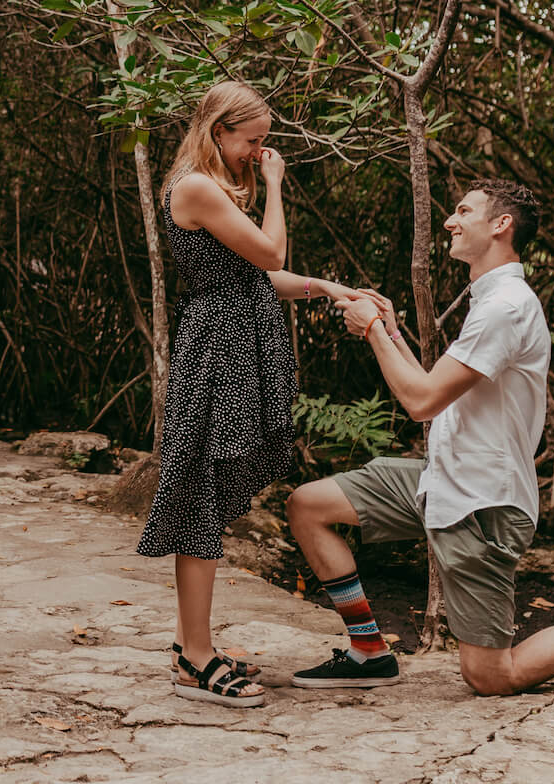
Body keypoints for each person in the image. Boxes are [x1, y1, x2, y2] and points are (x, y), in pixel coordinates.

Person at [285, 179, 554, 694]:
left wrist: (373, 331)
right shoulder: (491, 300)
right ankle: (369, 652)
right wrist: (392, 330)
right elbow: (435, 388)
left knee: (492, 677)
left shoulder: (505, 308)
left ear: (501, 225)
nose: (450, 221)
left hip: (482, 505)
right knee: (308, 506)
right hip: (442, 480)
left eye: (463, 211)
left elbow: (421, 401)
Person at [136, 81, 363, 707]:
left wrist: (327, 288)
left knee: (205, 497)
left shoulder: (214, 188)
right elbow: (270, 252)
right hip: (217, 353)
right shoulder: (195, 186)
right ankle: (196, 659)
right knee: (199, 494)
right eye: (252, 140)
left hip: (237, 348)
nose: (259, 152)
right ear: (219, 131)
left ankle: (191, 646)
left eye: (265, 144)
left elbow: (259, 278)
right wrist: (276, 185)